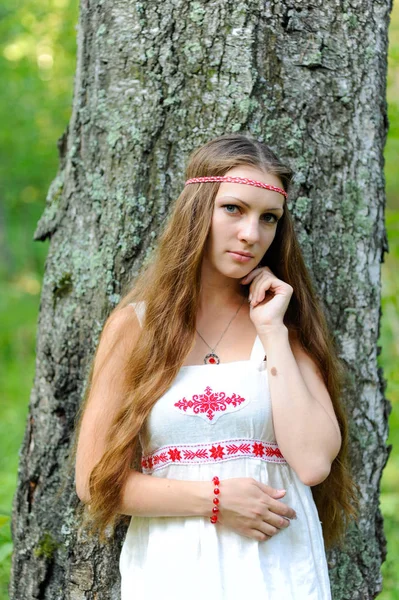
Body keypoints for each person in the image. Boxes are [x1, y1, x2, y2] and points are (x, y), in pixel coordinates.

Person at [73, 133, 358, 600]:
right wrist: (216, 499)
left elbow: (311, 464)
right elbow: (94, 482)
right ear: (197, 209)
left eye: (269, 218)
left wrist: (272, 332)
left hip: (278, 571)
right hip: (173, 569)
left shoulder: (286, 325)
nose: (252, 233)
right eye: (234, 209)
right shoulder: (134, 328)